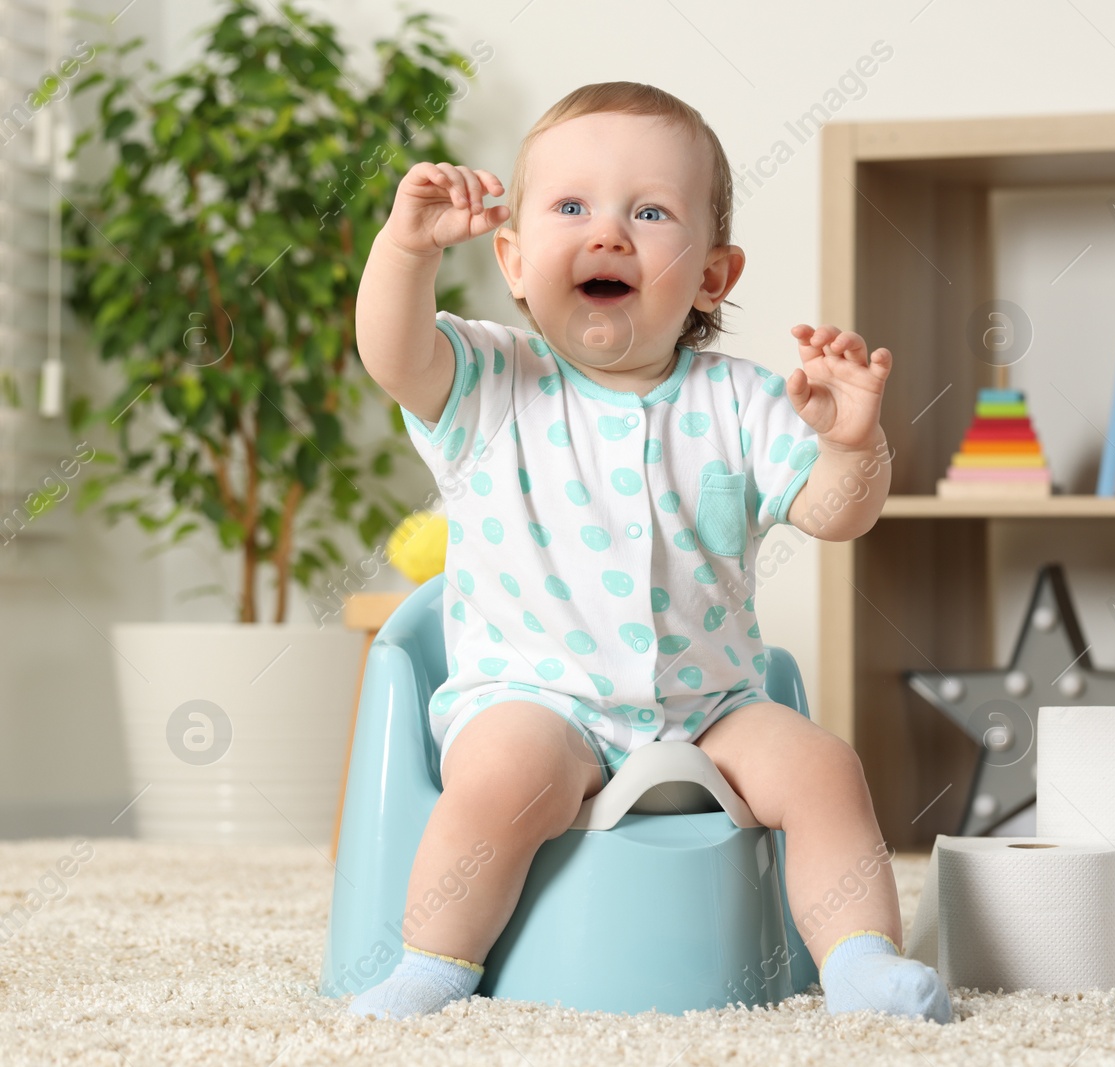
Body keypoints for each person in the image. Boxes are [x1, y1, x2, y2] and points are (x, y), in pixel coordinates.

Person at [347, 81, 950, 1025]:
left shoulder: (748, 400)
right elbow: (391, 351)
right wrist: (404, 249)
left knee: (827, 768)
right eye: (572, 207)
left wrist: (852, 442)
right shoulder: (490, 381)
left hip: (711, 705)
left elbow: (838, 515)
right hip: (535, 694)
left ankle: (861, 962)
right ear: (511, 257)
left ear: (713, 276)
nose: (610, 233)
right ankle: (434, 965)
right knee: (503, 779)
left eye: (651, 211)